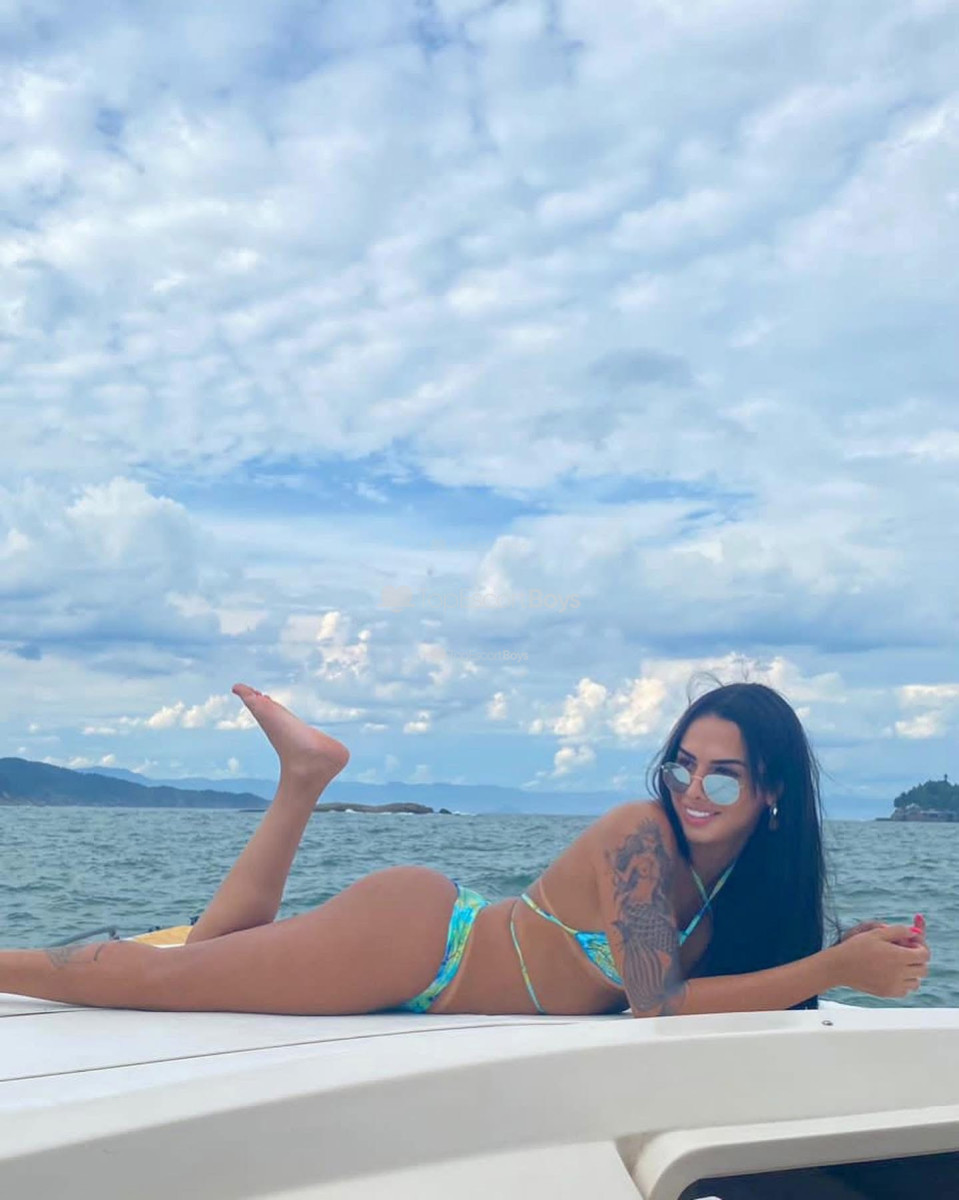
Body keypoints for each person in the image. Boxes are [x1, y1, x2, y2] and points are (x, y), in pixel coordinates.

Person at [1, 682, 929, 1016]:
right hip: (420, 949)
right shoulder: (639, 837)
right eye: (681, 765)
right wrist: (834, 969)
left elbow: (713, 995)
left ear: (771, 794)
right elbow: (657, 1004)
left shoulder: (740, 889)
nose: (691, 790)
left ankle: (305, 777)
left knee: (210, 954)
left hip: (429, 950)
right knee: (162, 982)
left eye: (721, 778)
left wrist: (844, 953)